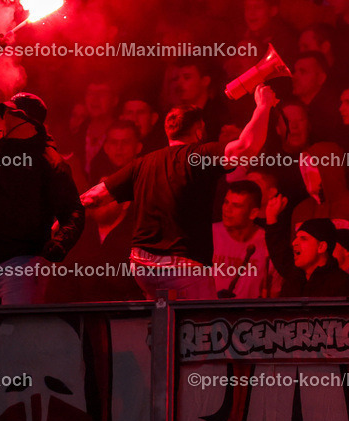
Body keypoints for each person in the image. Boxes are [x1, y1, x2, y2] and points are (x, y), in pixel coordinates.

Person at [80, 85, 278, 300]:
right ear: (199, 130)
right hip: (183, 266)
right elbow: (247, 147)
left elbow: (93, 197)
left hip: (142, 266)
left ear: (169, 130)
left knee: (161, 316)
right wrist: (263, 105)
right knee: (202, 319)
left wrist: (62, 218)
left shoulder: (142, 164)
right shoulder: (201, 156)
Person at [0, 36, 84, 305]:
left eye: (9, 112)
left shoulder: (49, 160)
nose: (3, 115)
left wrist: (59, 244)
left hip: (23, 264)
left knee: (18, 329)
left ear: (26, 120)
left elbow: (73, 211)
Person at [292, 142, 349, 263]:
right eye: (305, 166)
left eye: (313, 166)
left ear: (330, 168)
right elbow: (293, 258)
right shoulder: (301, 211)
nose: (307, 172)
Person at [264, 198, 349, 297]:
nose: (294, 243)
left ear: (321, 247)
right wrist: (271, 218)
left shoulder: (342, 284)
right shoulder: (295, 278)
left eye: (303, 238)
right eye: (296, 238)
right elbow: (278, 251)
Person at [212, 181, 280, 298]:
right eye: (226, 202)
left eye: (236, 205)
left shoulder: (268, 243)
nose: (227, 209)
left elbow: (275, 293)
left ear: (253, 213)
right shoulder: (211, 234)